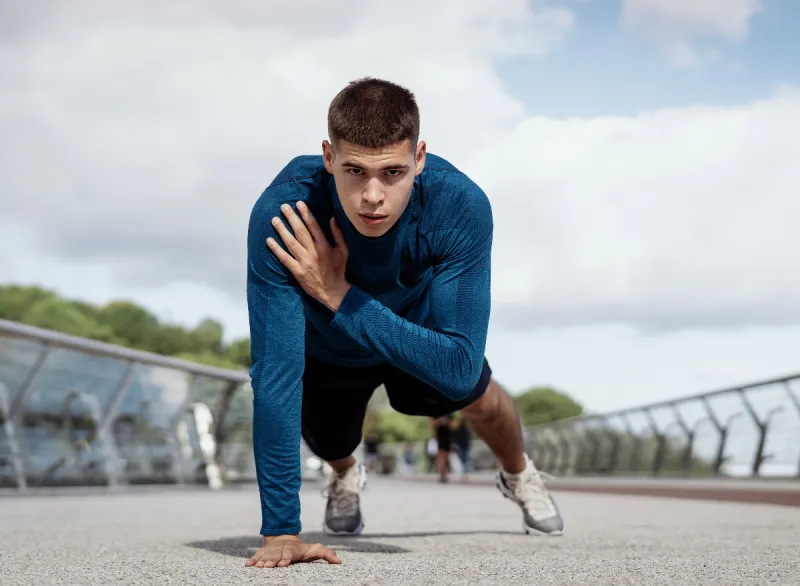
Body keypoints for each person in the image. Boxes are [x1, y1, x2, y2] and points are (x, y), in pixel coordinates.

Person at [244, 77, 564, 570]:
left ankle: (519, 474)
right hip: (331, 349)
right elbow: (276, 376)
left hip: (419, 336)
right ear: (328, 158)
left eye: (392, 172)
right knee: (329, 440)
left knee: (481, 396)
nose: (373, 195)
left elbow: (458, 365)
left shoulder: (458, 205)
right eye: (354, 171)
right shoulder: (286, 212)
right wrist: (281, 532)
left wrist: (337, 293)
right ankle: (345, 472)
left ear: (419, 158)